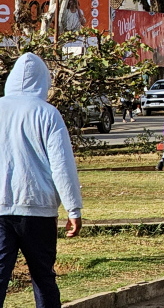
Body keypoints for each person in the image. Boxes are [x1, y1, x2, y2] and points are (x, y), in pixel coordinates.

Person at [0, 52, 83, 308]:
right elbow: (62, 165)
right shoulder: (48, 114)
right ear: (44, 81)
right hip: (39, 210)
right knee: (44, 278)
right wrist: (73, 208)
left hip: (0, 209)